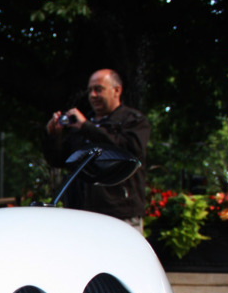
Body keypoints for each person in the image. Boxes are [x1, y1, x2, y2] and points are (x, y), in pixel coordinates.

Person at [42, 68, 150, 231]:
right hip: (82, 214)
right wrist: (53, 136)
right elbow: (59, 160)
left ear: (117, 90)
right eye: (90, 90)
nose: (92, 95)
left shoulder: (133, 120)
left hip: (120, 215)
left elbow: (131, 150)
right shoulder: (81, 124)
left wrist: (87, 127)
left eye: (98, 89)